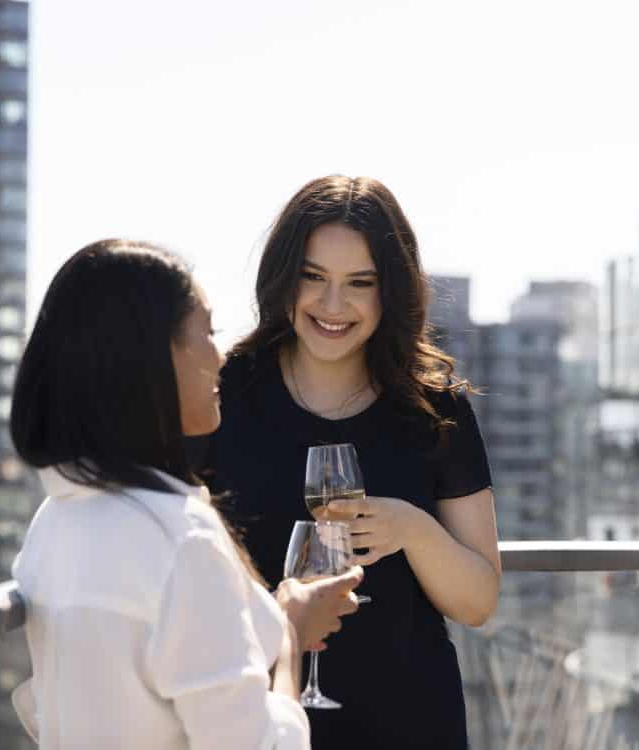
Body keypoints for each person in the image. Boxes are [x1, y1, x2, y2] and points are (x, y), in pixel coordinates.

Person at [9, 239, 363, 749]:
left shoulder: (57, 518)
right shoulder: (179, 538)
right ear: (150, 360)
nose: (219, 355)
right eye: (206, 332)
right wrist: (287, 641)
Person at [193, 176, 501, 749]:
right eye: (314, 277)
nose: (333, 306)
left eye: (360, 283)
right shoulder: (223, 393)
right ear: (284, 278)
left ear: (392, 291)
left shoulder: (436, 409)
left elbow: (478, 602)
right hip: (259, 724)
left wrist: (412, 528)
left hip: (411, 724)